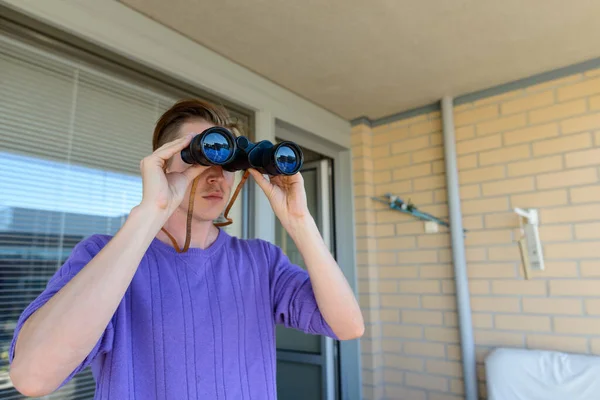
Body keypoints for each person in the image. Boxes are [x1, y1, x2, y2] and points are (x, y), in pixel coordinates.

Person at [8, 99, 364, 399]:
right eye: (200, 155)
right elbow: (33, 377)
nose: (215, 174)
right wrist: (151, 212)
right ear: (162, 163)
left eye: (227, 162)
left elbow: (348, 326)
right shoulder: (104, 256)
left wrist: (300, 221)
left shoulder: (261, 260)